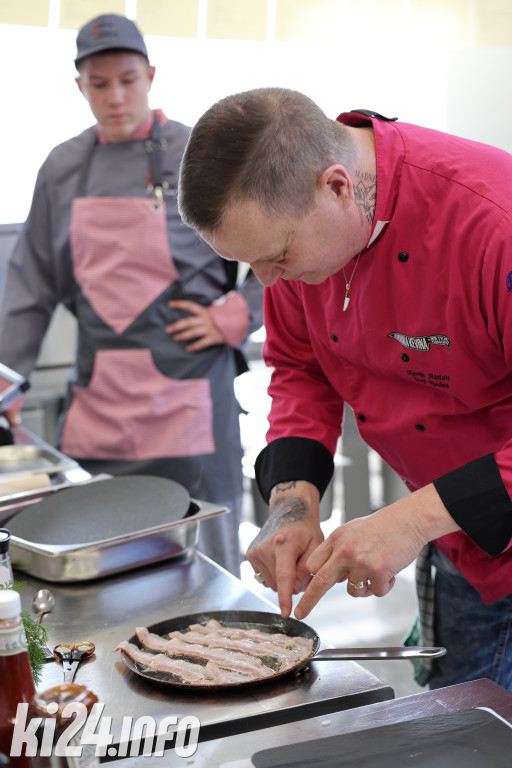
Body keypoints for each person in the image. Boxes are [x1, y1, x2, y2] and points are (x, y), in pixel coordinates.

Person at [177, 86, 512, 690]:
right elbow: (299, 368)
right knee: (469, 735)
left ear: (336, 185)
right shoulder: (301, 236)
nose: (267, 281)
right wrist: (292, 504)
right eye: (249, 265)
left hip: (460, 514)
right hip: (466, 550)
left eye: (277, 256)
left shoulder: (494, 224)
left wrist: (408, 521)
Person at [0, 15, 263, 576]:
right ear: (79, 87)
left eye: (128, 79)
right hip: (102, 398)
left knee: (205, 559)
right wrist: (7, 382)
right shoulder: (62, 167)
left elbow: (282, 242)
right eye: (99, 84)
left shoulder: (200, 151)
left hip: (190, 395)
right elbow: (30, 284)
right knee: (100, 554)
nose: (115, 96)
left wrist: (240, 312)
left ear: (150, 75)